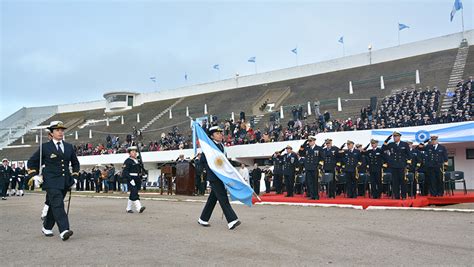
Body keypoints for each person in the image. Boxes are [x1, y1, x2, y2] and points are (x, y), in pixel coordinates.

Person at [27, 121, 79, 241]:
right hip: (51, 181)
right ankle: (64, 230)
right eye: (57, 130)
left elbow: (75, 163)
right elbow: (32, 162)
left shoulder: (68, 146)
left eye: (62, 130)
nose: (60, 132)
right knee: (58, 204)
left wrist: (75, 177)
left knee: (53, 205)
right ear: (52, 133)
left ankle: (46, 227)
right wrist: (34, 175)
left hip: (65, 181)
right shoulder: (45, 147)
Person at [198, 126, 241, 230]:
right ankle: (232, 220)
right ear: (212, 136)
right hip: (214, 176)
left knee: (212, 199)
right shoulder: (209, 147)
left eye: (221, 133)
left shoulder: (221, 146)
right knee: (223, 198)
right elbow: (203, 160)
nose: (221, 135)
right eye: (217, 133)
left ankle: (203, 218)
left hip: (221, 175)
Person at [381, 131, 411, 200]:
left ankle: (403, 196)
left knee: (403, 181)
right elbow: (382, 149)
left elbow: (409, 154)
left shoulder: (404, 144)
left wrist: (408, 164)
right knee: (395, 182)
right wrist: (386, 141)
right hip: (394, 166)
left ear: (399, 137)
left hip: (401, 165)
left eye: (396, 136)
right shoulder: (391, 144)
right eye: (394, 136)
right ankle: (396, 196)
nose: (395, 138)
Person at [122, 146, 146, 213]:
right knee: (134, 192)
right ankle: (139, 208)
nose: (134, 153)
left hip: (137, 178)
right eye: (132, 152)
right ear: (129, 153)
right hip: (131, 178)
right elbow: (125, 172)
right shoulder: (128, 161)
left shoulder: (137, 161)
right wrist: (130, 179)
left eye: (135, 151)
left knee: (133, 193)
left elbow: (140, 170)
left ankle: (128, 208)